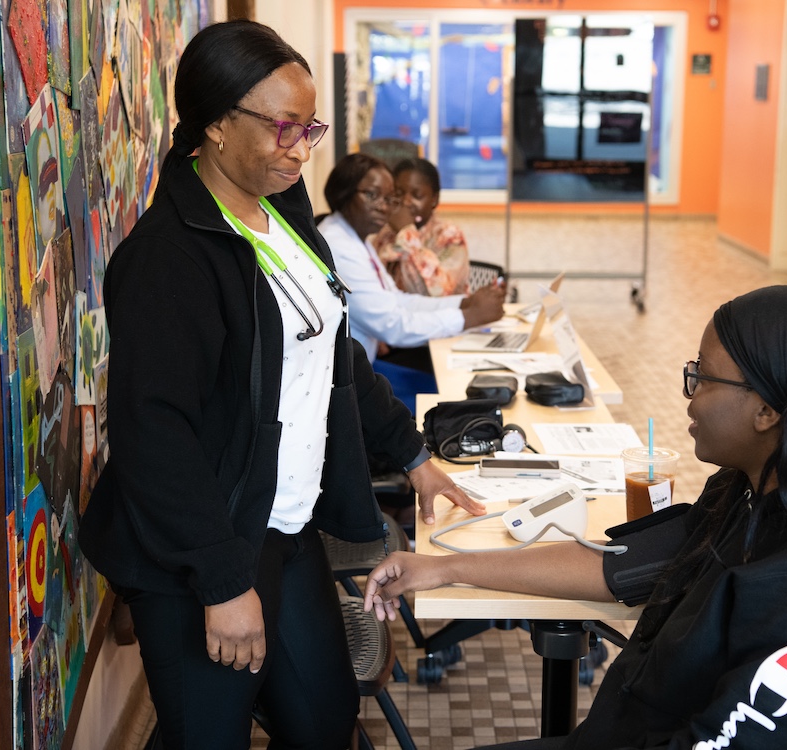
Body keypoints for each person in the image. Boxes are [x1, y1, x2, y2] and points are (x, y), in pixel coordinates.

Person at [77, 21, 484, 750]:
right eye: (283, 128)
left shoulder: (282, 212)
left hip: (284, 527)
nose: (301, 150)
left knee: (324, 720)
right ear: (215, 124)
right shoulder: (168, 259)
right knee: (209, 735)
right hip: (200, 550)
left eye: (310, 128)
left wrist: (413, 455)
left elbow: (332, 353)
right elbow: (154, 432)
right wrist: (222, 583)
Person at [365, 285, 787, 749]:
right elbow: (619, 565)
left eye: (702, 377)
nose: (688, 395)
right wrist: (445, 568)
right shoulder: (751, 490)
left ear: (768, 410)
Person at [317, 153, 505, 407]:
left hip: (375, 356)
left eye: (388, 198)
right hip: (353, 378)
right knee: (457, 397)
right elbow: (392, 323)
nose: (385, 207)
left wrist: (463, 304)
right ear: (344, 192)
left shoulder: (357, 238)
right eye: (373, 195)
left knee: (463, 387)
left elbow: (397, 300)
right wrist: (467, 316)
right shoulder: (339, 245)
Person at [372, 157, 470, 297]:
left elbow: (441, 292)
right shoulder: (386, 234)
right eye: (398, 194)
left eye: (417, 195)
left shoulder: (449, 235)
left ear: (434, 199)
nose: (406, 202)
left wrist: (407, 233)